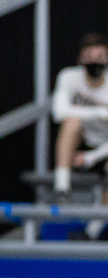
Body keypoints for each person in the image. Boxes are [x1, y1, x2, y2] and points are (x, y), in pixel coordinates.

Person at [52, 32, 108, 236]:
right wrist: (98, 113)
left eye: (100, 57)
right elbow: (59, 113)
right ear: (80, 60)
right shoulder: (68, 76)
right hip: (79, 142)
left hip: (103, 149)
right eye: (89, 57)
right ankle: (62, 187)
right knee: (72, 122)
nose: (95, 62)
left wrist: (92, 157)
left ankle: (92, 232)